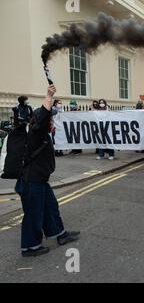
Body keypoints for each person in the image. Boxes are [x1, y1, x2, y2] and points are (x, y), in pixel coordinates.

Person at [15, 85, 79, 257]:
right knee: (33, 214)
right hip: (31, 181)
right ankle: (30, 247)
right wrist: (49, 96)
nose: (52, 122)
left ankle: (60, 234)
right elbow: (43, 115)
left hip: (40, 180)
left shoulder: (40, 132)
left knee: (51, 207)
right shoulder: (37, 132)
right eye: (50, 120)